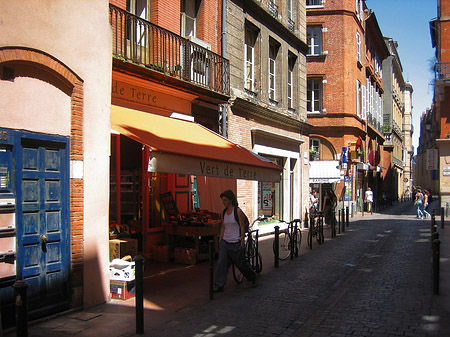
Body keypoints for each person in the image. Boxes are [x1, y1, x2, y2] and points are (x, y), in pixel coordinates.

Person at [213, 190, 257, 292]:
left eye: (225, 200)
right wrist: (220, 240)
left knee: (241, 263)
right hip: (225, 242)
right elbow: (223, 227)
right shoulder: (224, 212)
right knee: (221, 263)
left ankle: (252, 276)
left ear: (231, 200)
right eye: (222, 200)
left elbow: (242, 227)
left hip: (235, 242)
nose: (223, 202)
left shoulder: (237, 212)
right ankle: (219, 284)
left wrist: (242, 241)